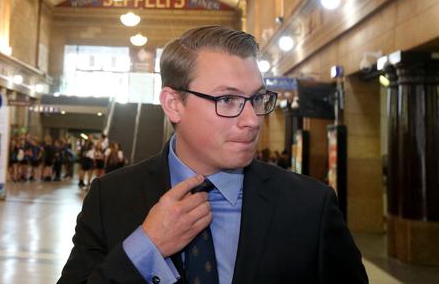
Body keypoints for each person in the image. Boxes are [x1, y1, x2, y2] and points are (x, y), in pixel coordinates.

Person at [58, 26, 367, 283]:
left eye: (257, 98)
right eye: (228, 99)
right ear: (173, 104)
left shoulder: (310, 206)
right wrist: (146, 247)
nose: (252, 119)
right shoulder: (110, 198)